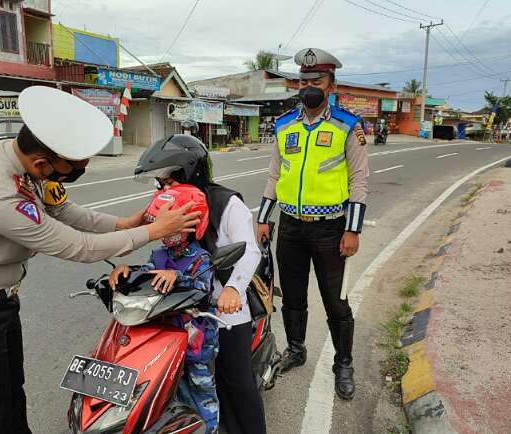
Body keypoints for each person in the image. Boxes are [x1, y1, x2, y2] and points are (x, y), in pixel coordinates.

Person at [0, 86, 201, 434]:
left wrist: (124, 224)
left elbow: (64, 210)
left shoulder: (19, 160)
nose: (76, 173)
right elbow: (77, 246)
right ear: (42, 163)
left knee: (10, 400)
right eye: (73, 168)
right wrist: (153, 232)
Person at [256, 48, 370, 400]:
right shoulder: (284, 124)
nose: (309, 87)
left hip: (330, 228)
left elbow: (360, 182)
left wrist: (352, 230)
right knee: (291, 296)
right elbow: (276, 174)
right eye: (304, 81)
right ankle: (296, 349)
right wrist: (263, 219)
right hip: (290, 226)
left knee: (336, 301)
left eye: (316, 81)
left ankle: (344, 363)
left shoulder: (348, 126)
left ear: (331, 85)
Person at [135, 134, 266, 434]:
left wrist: (233, 289)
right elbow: (162, 250)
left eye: (167, 181)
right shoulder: (171, 204)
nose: (163, 189)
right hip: (180, 311)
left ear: (188, 172)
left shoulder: (226, 203)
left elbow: (250, 250)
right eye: (160, 183)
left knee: (236, 381)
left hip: (222, 311)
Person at [109, 184, 219, 434]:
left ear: (193, 224)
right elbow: (147, 275)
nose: (164, 230)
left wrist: (177, 276)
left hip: (196, 344)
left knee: (202, 392)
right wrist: (127, 271)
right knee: (170, 391)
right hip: (165, 340)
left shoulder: (201, 258)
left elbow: (203, 288)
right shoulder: (158, 254)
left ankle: (210, 429)